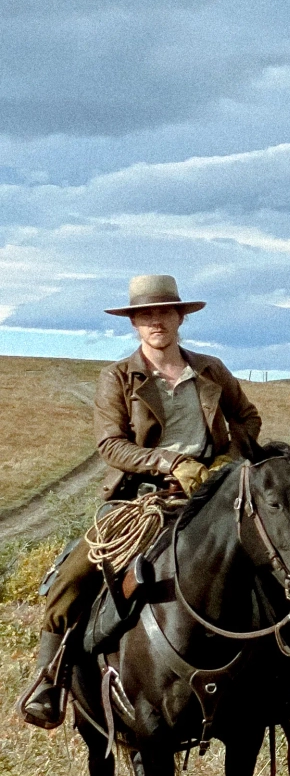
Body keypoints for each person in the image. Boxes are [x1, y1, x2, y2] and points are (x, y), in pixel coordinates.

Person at [16, 275, 262, 728]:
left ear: (179, 316)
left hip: (211, 497)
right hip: (140, 501)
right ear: (134, 323)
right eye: (145, 315)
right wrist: (168, 463)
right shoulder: (117, 377)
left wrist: (226, 461)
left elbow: (246, 416)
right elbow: (110, 444)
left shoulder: (210, 370)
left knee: (280, 556)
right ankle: (48, 680)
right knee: (72, 576)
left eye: (164, 312)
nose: (156, 322)